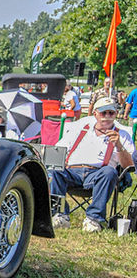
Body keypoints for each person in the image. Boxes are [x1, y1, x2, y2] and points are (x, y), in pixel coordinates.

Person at [49, 97, 135, 232]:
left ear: (116, 114)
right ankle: (59, 214)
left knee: (109, 171)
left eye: (111, 113)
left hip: (98, 175)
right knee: (54, 170)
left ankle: (93, 219)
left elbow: (129, 166)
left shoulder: (122, 135)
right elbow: (58, 150)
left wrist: (118, 146)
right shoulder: (80, 129)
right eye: (103, 113)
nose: (107, 117)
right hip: (73, 172)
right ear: (95, 114)